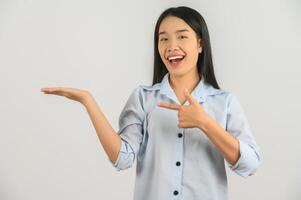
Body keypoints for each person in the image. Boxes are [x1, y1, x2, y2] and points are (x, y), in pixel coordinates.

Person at [41, 6, 261, 200]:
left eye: (182, 37)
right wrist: (88, 102)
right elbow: (123, 159)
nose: (171, 45)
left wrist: (205, 123)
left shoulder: (225, 102)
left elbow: (250, 165)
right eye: (163, 38)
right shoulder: (143, 98)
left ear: (200, 44)